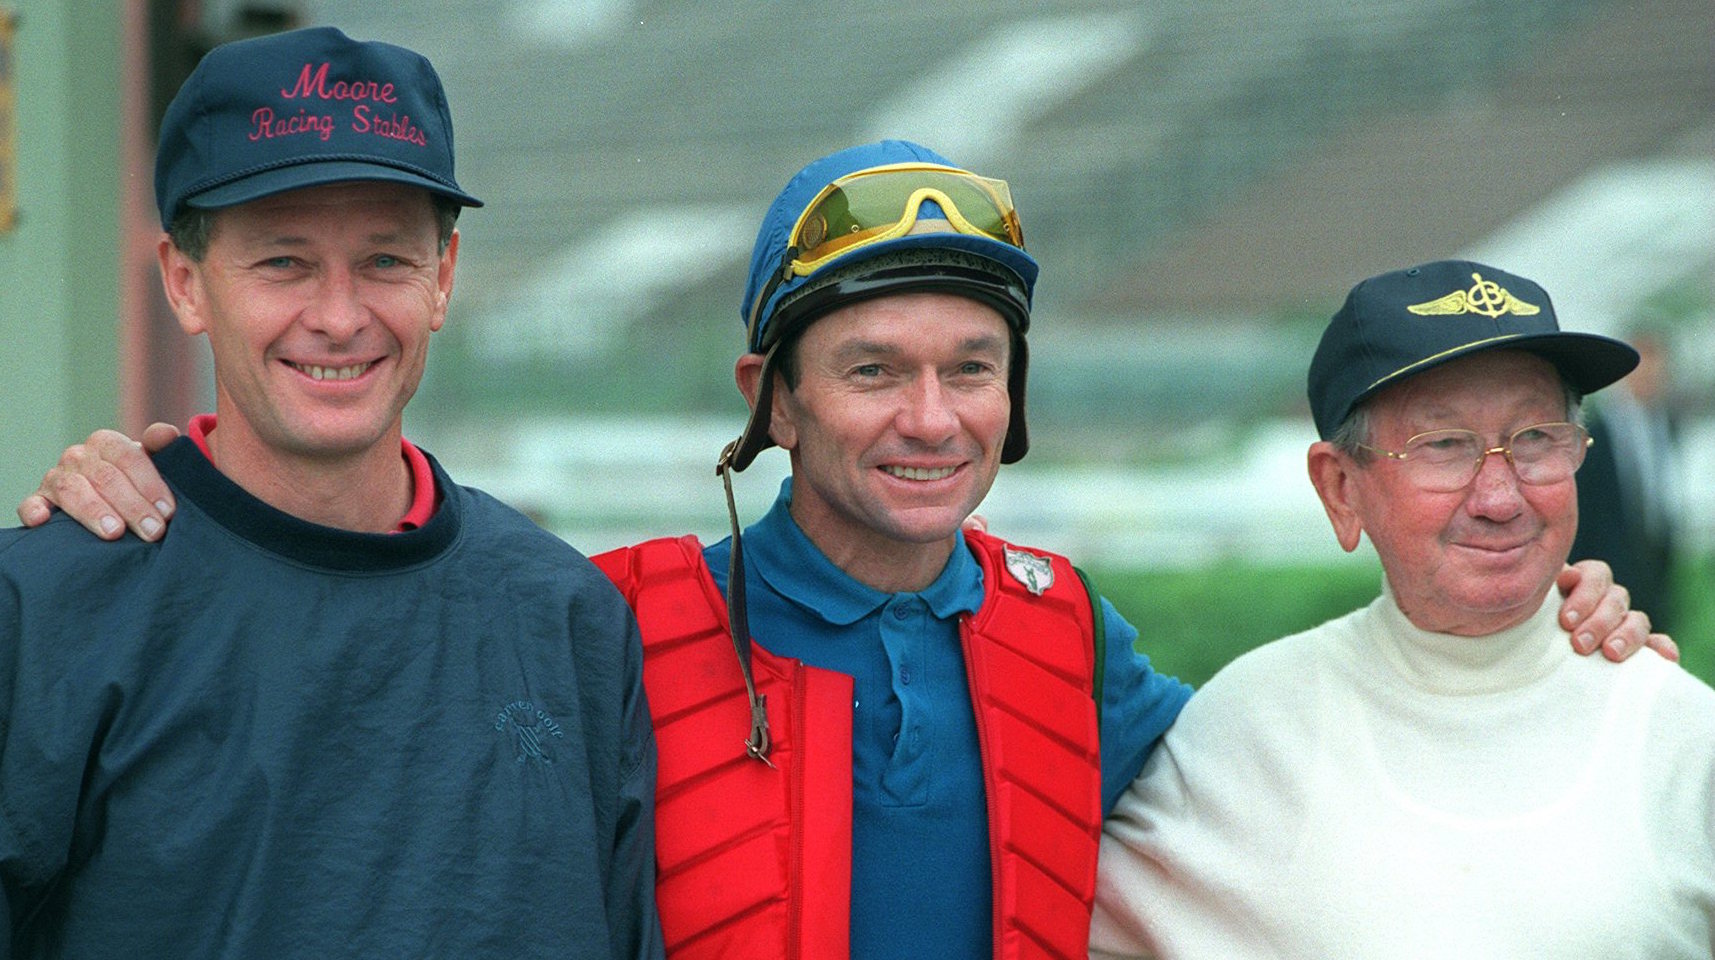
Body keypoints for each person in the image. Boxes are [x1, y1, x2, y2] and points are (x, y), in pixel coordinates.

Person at [15, 148, 1665, 960]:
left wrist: (1559, 651)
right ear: (773, 403)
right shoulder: (602, 620)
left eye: (973, 368)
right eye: (872, 371)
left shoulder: (1070, 633)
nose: (930, 418)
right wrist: (171, 496)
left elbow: (1330, 766)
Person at [0, 27, 662, 959]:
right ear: (186, 286)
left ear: (444, 277)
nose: (340, 316)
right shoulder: (44, 608)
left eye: (386, 260)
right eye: (283, 261)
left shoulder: (567, 617)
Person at [1090, 261, 1715, 959]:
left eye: (1535, 438)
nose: (1499, 497)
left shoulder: (1683, 734)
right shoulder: (1248, 731)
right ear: (1338, 487)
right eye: (1443, 446)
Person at [1573, 323, 1685, 634]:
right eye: (1643, 364)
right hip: (1608, 573)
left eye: (1658, 364)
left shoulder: (1666, 426)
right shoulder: (1596, 432)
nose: (1651, 374)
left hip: (1657, 572)